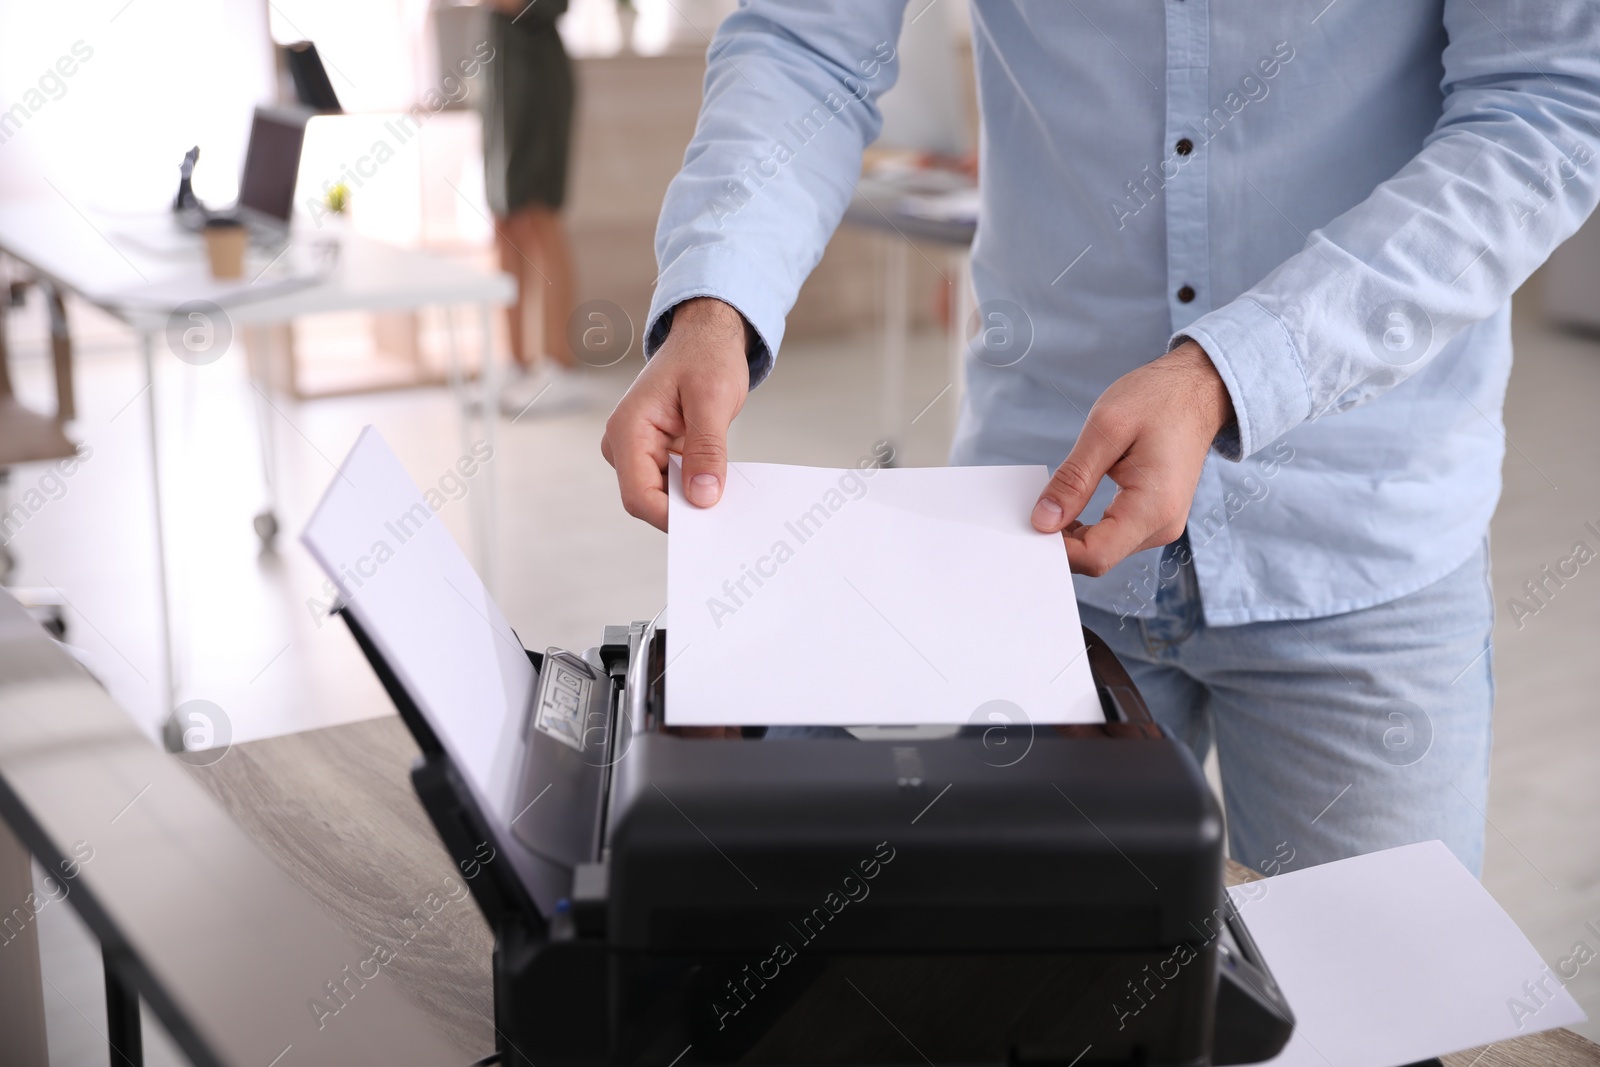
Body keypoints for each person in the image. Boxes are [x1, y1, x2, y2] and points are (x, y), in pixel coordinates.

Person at [600, 2, 1600, 877]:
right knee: (1029, 1002)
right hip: (1033, 536)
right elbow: (805, 43)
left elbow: (1544, 111)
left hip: (1359, 527)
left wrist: (1230, 371)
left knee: (1364, 1024)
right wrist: (715, 299)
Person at [481, 0, 584, 416]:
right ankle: (516, 364)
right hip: (502, 71)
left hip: (537, 76)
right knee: (504, 219)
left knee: (539, 215)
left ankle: (560, 367)